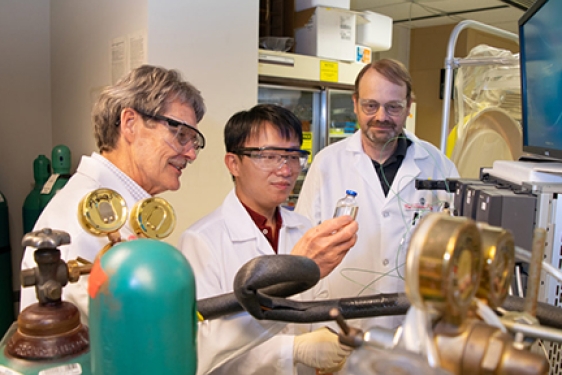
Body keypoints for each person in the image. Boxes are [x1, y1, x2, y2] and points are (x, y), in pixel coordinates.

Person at [18, 66, 352, 375]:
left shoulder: (124, 210)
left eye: (194, 141)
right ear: (130, 124)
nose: (191, 153)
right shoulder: (85, 214)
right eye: (180, 135)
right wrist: (291, 340)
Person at [179, 104, 358, 375]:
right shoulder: (201, 241)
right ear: (234, 163)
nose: (285, 170)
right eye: (270, 156)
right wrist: (293, 350)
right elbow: (203, 349)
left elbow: (309, 313)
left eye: (294, 156)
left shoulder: (303, 228)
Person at [295, 59, 459, 333]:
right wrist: (309, 333)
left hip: (413, 331)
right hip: (340, 328)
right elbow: (303, 253)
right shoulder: (327, 164)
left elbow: (456, 253)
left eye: (393, 106)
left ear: (409, 106)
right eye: (371, 105)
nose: (381, 116)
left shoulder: (438, 166)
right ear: (356, 103)